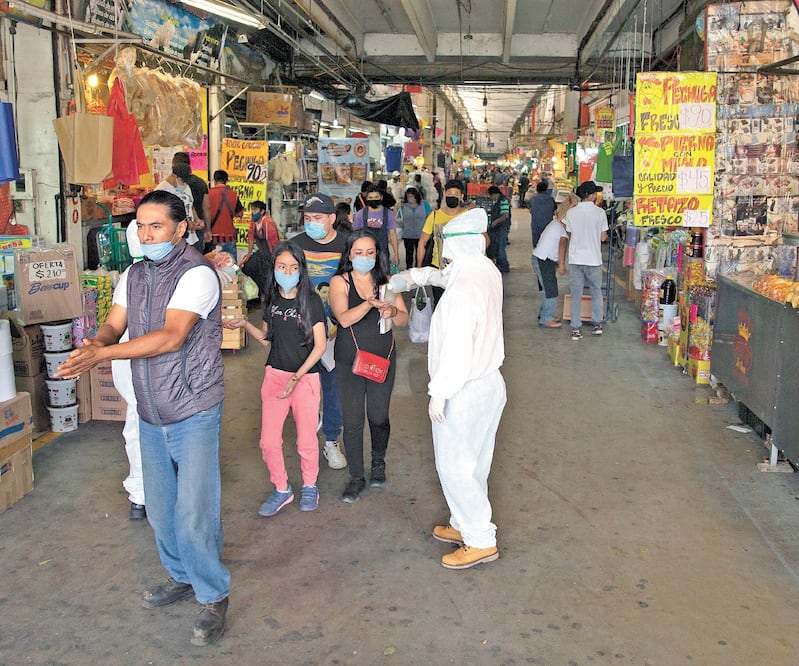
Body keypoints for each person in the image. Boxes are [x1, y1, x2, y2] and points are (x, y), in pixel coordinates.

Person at [55, 190, 229, 646]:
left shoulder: (198, 275)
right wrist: (95, 343)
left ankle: (213, 595)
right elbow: (115, 323)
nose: (147, 234)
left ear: (180, 228)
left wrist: (104, 355)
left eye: (157, 226)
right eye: (141, 226)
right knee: (158, 507)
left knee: (194, 512)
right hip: (151, 408)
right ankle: (181, 576)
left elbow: (171, 336)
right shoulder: (132, 274)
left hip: (192, 406)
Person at [426, 208, 506, 569]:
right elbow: (450, 277)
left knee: (454, 466)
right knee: (475, 463)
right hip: (488, 384)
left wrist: (439, 391)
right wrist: (418, 276)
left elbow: (458, 348)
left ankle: (479, 539)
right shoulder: (484, 271)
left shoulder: (463, 290)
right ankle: (463, 523)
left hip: (464, 387)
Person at [224, 242, 327, 516]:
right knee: (268, 441)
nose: (287, 272)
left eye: (293, 267)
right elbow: (267, 339)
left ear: (301, 270)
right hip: (275, 377)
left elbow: (320, 346)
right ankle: (282, 489)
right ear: (274, 269)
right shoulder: (271, 299)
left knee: (306, 440)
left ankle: (309, 485)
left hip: (304, 379)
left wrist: (298, 376)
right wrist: (246, 324)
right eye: (282, 267)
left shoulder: (311, 300)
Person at [329, 229, 409, 502]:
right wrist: (369, 304)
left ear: (378, 254)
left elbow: (402, 320)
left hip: (382, 358)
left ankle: (378, 462)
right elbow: (343, 318)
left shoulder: (388, 282)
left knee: (378, 416)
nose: (364, 257)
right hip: (349, 360)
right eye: (359, 252)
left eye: (370, 252)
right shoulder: (340, 282)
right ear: (349, 255)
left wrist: (393, 310)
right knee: (352, 421)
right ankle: (356, 476)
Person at [293, 193, 348, 470]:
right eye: (307, 218)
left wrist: (342, 322)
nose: (312, 223)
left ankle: (331, 439)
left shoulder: (346, 246)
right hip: (302, 328)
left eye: (317, 218)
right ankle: (307, 432)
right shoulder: (295, 245)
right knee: (303, 384)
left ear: (331, 219)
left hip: (337, 330)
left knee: (333, 384)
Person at [111, 222, 146, 520]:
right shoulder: (135, 277)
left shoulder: (127, 277)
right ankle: (144, 493)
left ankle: (140, 495)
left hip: (131, 363)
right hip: (142, 364)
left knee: (136, 425)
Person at [564, 180, 608, 340]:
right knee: (596, 291)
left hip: (576, 259)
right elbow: (603, 237)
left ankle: (576, 329)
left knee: (576, 294)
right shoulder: (600, 213)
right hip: (594, 259)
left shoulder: (571, 212)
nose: (596, 195)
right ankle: (597, 325)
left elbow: (569, 233)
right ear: (590, 195)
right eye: (595, 192)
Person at [416, 180, 469, 305]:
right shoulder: (434, 216)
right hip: (438, 269)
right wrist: (419, 268)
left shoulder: (468, 216)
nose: (452, 197)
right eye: (450, 193)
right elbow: (422, 242)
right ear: (444, 194)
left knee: (460, 303)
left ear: (462, 196)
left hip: (461, 268)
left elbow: (483, 240)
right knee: (440, 303)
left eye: (456, 194)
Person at [532, 217, 568, 328]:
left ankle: (546, 314)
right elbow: (562, 246)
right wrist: (562, 264)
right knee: (550, 290)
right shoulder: (562, 230)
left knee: (547, 289)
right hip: (543, 260)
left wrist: (556, 263)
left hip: (542, 259)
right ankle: (546, 318)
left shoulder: (555, 224)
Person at [352, 184, 400, 267]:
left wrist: (396, 254)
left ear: (381, 197)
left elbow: (393, 235)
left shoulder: (388, 214)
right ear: (366, 198)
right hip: (364, 255)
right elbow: (355, 236)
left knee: (383, 278)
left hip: (383, 254)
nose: (373, 199)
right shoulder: (360, 214)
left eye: (376, 197)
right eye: (370, 198)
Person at [155, 163, 199, 248]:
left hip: (190, 239)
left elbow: (190, 205)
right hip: (174, 241)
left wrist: (196, 219)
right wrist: (185, 224)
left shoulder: (186, 186)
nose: (184, 183)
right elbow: (162, 217)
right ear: (174, 176)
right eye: (182, 180)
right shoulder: (161, 190)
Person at [172, 152, 210, 241]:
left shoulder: (172, 185)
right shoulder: (200, 182)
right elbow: (206, 208)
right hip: (198, 226)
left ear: (173, 166)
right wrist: (207, 229)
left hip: (179, 231)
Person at [208, 169, 243, 256]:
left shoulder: (208, 194)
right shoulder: (234, 194)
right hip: (230, 236)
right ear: (226, 180)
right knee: (232, 266)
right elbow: (240, 214)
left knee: (215, 265)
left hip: (213, 237)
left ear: (214, 180)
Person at [242, 200, 280, 265]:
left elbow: (274, 243)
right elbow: (250, 237)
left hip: (272, 252)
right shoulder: (253, 222)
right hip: (263, 253)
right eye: (252, 209)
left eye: (255, 209)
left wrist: (275, 258)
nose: (253, 212)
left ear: (262, 211)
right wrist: (249, 253)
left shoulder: (268, 223)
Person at [398, 187, 428, 270]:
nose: (410, 198)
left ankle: (419, 269)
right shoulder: (403, 206)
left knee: (420, 253)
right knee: (409, 254)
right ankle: (409, 269)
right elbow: (397, 218)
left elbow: (429, 216)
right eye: (408, 197)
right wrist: (397, 207)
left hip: (421, 234)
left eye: (412, 196)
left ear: (416, 196)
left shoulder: (424, 204)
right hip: (408, 234)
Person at [486, 185, 511, 274]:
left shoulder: (503, 200)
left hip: (502, 227)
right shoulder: (496, 201)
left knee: (500, 248)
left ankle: (504, 266)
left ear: (494, 194)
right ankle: (500, 265)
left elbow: (505, 215)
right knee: (495, 247)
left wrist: (495, 222)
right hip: (496, 228)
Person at [529, 181, 557, 249]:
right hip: (548, 225)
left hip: (536, 224)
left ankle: (537, 256)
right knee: (547, 243)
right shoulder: (550, 199)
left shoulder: (533, 199)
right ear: (546, 189)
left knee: (536, 244)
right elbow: (555, 210)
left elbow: (530, 210)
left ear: (537, 189)